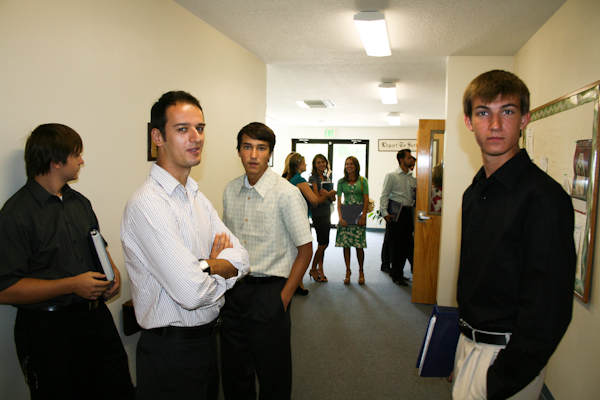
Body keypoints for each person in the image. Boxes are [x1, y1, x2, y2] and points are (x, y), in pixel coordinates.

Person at [454, 70, 576, 400]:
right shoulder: (474, 193)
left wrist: (501, 378)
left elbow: (549, 309)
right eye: (483, 112)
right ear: (469, 121)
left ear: (525, 119)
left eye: (507, 111)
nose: (495, 125)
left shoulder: (543, 198)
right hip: (469, 346)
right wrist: (464, 349)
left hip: (506, 359)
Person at [120, 91, 250, 400]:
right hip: (171, 352)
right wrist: (217, 265)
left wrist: (205, 266)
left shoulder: (196, 197)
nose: (196, 137)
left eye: (200, 128)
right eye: (182, 129)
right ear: (158, 137)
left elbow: (243, 257)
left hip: (205, 344)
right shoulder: (148, 204)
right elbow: (191, 294)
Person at [0, 123, 134, 400]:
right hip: (48, 333)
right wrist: (71, 285)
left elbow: (97, 245)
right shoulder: (16, 215)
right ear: (56, 161)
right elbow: (5, 289)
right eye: (76, 154)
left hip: (96, 322)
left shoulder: (80, 203)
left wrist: (112, 274)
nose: (82, 161)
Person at [221, 122, 313, 400]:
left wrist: (284, 298)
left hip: (270, 293)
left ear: (270, 154)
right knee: (235, 371)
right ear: (238, 151)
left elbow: (305, 249)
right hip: (234, 293)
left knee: (273, 373)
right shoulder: (230, 190)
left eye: (261, 148)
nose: (253, 155)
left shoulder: (286, 193)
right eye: (247, 147)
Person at [283, 152, 323, 295]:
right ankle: (297, 284)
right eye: (304, 162)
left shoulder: (287, 179)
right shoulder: (299, 179)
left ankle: (295, 283)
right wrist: (324, 194)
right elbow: (314, 200)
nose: (306, 165)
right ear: (298, 164)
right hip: (299, 219)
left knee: (293, 252)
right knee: (303, 253)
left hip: (288, 219)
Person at [379, 149, 416, 286]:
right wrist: (385, 213)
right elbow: (384, 195)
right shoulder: (392, 175)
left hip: (408, 213)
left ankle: (400, 273)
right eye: (409, 157)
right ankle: (396, 275)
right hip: (395, 213)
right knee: (396, 246)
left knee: (407, 244)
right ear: (401, 160)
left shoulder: (413, 177)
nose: (411, 159)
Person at [335, 156, 369, 285]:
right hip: (346, 215)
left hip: (359, 215)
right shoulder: (341, 182)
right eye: (347, 164)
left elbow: (366, 199)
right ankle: (348, 271)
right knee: (346, 245)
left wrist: (363, 216)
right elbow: (339, 201)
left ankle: (361, 270)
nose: (349, 166)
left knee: (359, 246)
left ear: (356, 166)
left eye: (351, 164)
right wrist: (340, 218)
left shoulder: (363, 180)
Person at [308, 154, 337, 282]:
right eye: (319, 162)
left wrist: (329, 194)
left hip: (327, 212)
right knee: (324, 243)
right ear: (315, 164)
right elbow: (317, 200)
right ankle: (313, 268)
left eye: (323, 162)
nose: (322, 165)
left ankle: (321, 268)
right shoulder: (313, 178)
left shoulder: (326, 177)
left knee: (323, 243)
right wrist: (328, 194)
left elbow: (333, 198)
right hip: (318, 213)